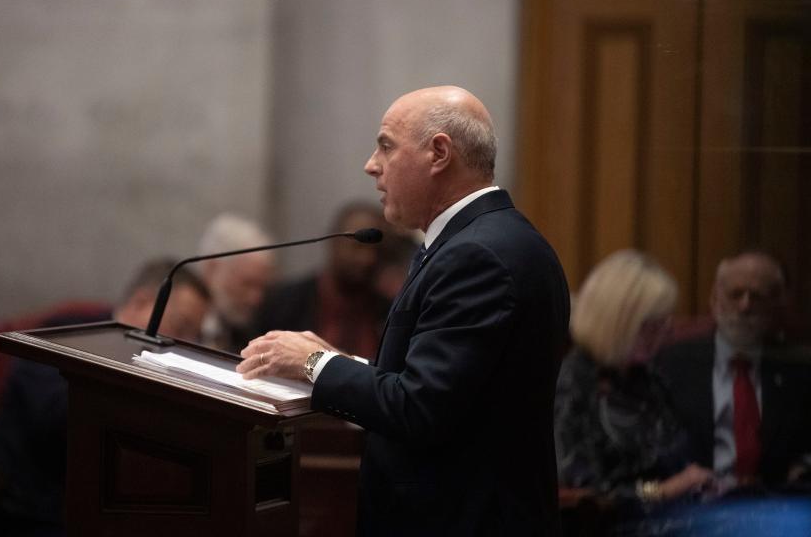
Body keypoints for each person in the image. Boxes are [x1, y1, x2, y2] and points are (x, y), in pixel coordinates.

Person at [237, 85, 571, 535]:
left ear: (438, 153)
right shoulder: (485, 240)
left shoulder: (479, 256)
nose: (371, 165)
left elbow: (420, 409)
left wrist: (315, 363)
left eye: (386, 146)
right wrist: (341, 363)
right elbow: (450, 391)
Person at [0, 261, 210, 537]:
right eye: (181, 327)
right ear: (140, 302)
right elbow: (59, 420)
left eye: (195, 336)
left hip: (111, 510)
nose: (184, 343)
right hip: (31, 512)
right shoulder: (65, 336)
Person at [555, 250, 714, 531]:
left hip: (675, 519)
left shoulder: (648, 376)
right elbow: (584, 496)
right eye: (651, 326)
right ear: (618, 323)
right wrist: (663, 490)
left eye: (665, 322)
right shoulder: (572, 384)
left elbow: (677, 457)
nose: (664, 333)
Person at [656, 251, 811, 493]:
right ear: (714, 299)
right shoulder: (670, 363)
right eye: (735, 294)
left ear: (777, 304)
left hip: (775, 506)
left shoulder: (801, 371)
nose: (745, 306)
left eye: (757, 297)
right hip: (692, 504)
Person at [250, 201, 395, 358]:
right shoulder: (282, 303)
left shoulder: (391, 314)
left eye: (378, 250)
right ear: (334, 243)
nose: (367, 259)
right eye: (357, 247)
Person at [195, 213, 276, 353]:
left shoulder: (253, 337)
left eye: (262, 287)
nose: (256, 299)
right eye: (247, 284)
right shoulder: (175, 322)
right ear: (212, 269)